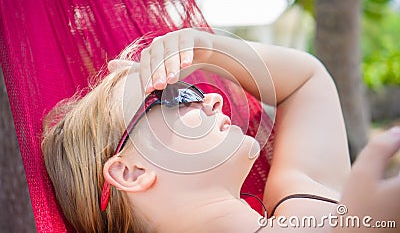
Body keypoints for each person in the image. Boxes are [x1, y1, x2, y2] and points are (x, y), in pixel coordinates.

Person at [41, 28, 400, 232]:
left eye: (195, 89)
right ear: (131, 171)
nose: (213, 99)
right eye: (178, 96)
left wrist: (208, 48)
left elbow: (306, 81)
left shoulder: (299, 199)